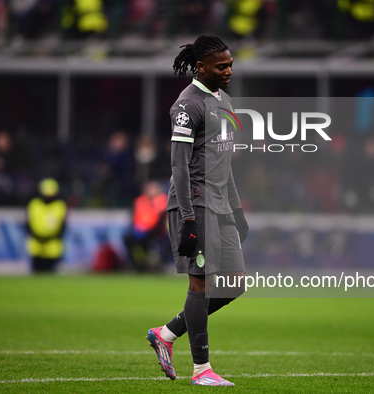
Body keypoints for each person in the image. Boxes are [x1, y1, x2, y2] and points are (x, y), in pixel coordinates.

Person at [146, 35, 249, 386]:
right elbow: (179, 167)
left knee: (234, 284)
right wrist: (188, 218)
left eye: (231, 64)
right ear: (201, 67)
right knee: (201, 285)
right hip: (194, 204)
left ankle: (166, 333)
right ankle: (201, 370)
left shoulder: (226, 102)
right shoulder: (187, 106)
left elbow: (224, 163)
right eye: (222, 66)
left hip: (220, 205)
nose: (229, 70)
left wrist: (236, 209)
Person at [25, 178, 67, 273]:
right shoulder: (34, 204)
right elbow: (28, 223)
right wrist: (35, 236)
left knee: (51, 272)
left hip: (52, 245)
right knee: (36, 271)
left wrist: (54, 237)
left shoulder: (59, 205)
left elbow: (63, 225)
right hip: (36, 243)